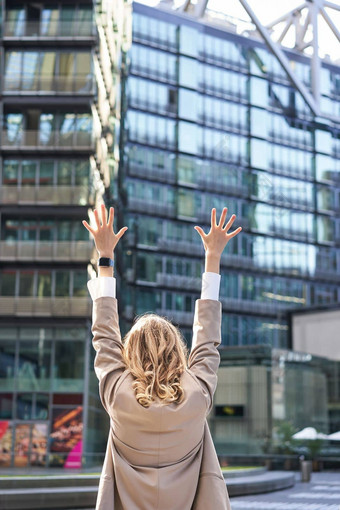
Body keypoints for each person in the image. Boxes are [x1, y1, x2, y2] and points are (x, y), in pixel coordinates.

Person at [83, 205, 242, 510]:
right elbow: (208, 338)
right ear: (177, 351)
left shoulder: (117, 394)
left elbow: (104, 334)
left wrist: (105, 257)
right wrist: (213, 258)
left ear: (130, 352)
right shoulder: (198, 393)